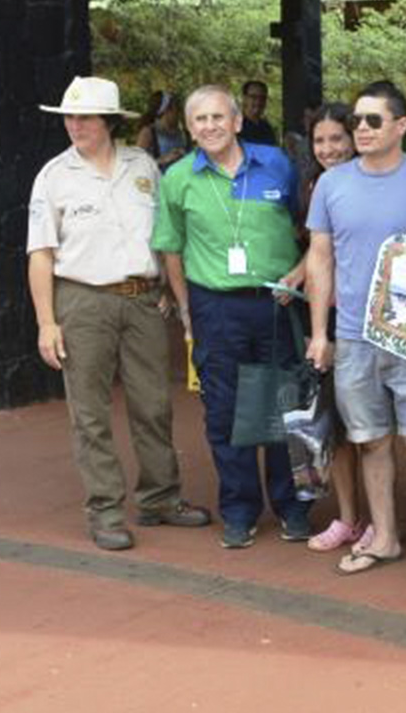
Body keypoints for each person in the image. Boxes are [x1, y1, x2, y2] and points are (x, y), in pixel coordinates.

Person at [27, 76, 210, 551]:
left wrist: (167, 288)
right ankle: (105, 510)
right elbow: (40, 254)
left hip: (144, 299)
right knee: (89, 411)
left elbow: (165, 235)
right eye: (68, 117)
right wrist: (47, 322)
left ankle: (161, 498)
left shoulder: (142, 165)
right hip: (82, 299)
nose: (74, 125)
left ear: (109, 121)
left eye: (84, 116)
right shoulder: (54, 176)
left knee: (154, 403)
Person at [303, 83, 406, 583]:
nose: (360, 130)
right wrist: (319, 333)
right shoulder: (331, 185)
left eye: (372, 121)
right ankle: (385, 537)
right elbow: (320, 257)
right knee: (369, 440)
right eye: (357, 122)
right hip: (352, 334)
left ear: (401, 126)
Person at [153, 84, 310, 549]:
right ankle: (239, 510)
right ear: (189, 127)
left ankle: (293, 506)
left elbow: (302, 226)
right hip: (215, 306)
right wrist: (186, 310)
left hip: (276, 302)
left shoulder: (276, 164)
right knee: (223, 412)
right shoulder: (178, 178)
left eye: (218, 117)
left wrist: (297, 276)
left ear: (238, 121)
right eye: (200, 120)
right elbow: (171, 249)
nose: (210, 127)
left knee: (284, 406)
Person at [296, 103, 368, 554]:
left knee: (374, 431)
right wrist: (295, 274)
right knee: (335, 427)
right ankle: (348, 518)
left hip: (367, 318)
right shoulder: (316, 184)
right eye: (320, 141)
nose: (328, 149)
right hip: (329, 317)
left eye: (336, 139)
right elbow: (319, 250)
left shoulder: (370, 182)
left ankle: (381, 519)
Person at [135, 90, 189, 169]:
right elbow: (137, 164)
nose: (179, 114)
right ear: (166, 111)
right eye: (177, 110)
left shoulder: (182, 132)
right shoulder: (149, 132)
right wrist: (162, 160)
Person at [239, 79, 278, 147]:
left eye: (262, 98)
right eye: (253, 97)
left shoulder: (267, 128)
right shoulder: (234, 126)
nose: (258, 102)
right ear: (244, 98)